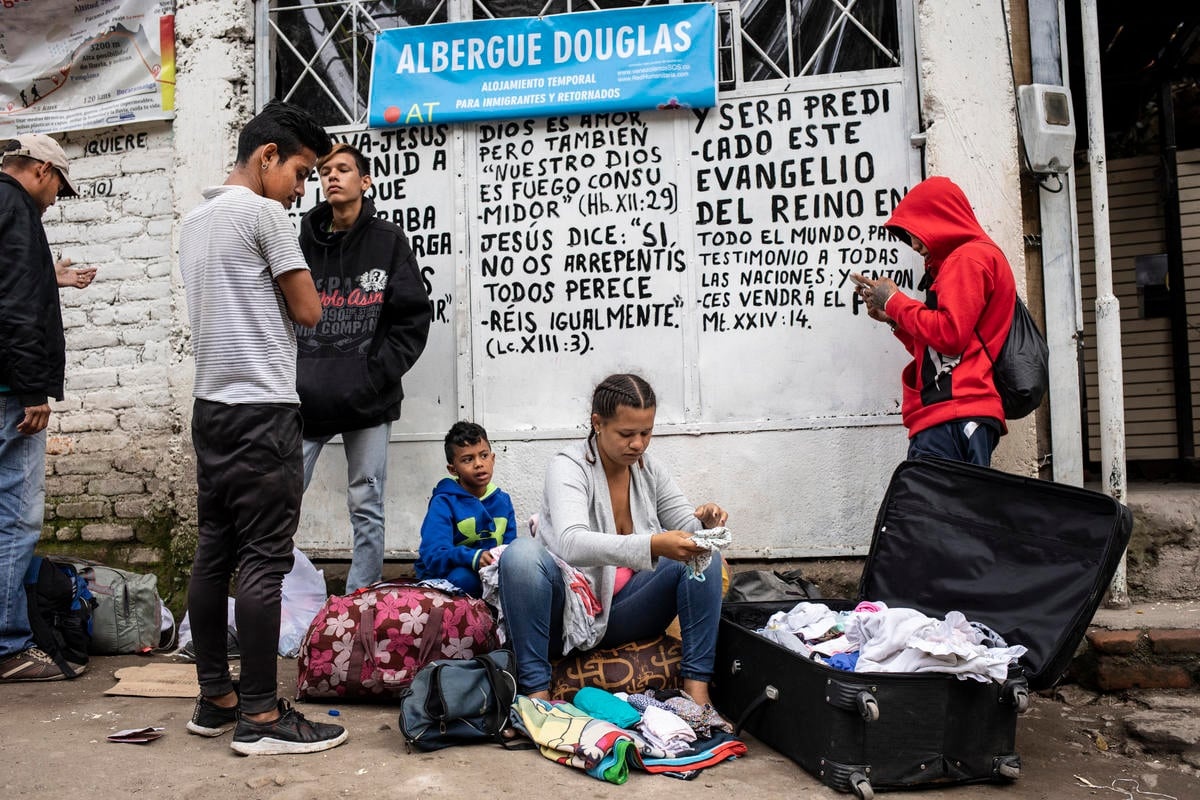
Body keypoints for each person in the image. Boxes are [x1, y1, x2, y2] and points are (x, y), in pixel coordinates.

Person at [178, 100, 347, 756]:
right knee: (264, 559)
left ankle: (215, 698)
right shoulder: (263, 214)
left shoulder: (196, 220)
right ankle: (261, 715)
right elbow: (308, 310)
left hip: (212, 409)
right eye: (301, 172)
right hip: (262, 411)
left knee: (213, 551)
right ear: (267, 155)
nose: (303, 188)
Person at [498, 374, 728, 706]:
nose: (638, 444)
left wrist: (705, 522)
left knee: (705, 554)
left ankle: (697, 690)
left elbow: (686, 527)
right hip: (567, 617)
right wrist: (652, 544)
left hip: (625, 614)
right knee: (521, 555)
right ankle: (537, 695)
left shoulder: (647, 469)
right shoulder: (568, 467)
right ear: (598, 424)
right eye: (626, 434)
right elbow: (571, 543)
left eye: (646, 432)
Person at [296, 143, 431, 593]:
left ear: (365, 181)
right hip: (307, 397)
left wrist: (374, 375)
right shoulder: (303, 241)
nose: (332, 176)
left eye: (343, 169)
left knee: (367, 503)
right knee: (280, 499)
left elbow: (413, 317)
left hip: (368, 400)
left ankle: (361, 599)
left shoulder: (387, 241)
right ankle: (275, 590)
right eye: (324, 171)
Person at [852, 176, 1016, 467]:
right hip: (953, 413)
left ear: (940, 219)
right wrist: (894, 320)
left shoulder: (968, 258)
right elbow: (940, 349)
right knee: (947, 497)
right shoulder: (968, 259)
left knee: (930, 497)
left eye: (916, 232)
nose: (914, 245)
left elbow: (949, 335)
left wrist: (894, 301)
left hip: (954, 413)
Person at [0, 134, 79, 683]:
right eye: (58, 189)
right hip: (9, 392)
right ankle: (8, 646)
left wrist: (53, 277)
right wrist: (33, 391)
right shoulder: (18, 209)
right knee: (15, 517)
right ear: (43, 170)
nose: (55, 200)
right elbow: (16, 307)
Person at [415, 421, 517, 597]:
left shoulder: (503, 501)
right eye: (468, 459)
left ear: (493, 459)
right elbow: (433, 554)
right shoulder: (444, 502)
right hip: (450, 576)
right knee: (464, 579)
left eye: (484, 455)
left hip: (491, 572)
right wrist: (473, 557)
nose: (479, 464)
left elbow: (510, 547)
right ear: (453, 469)